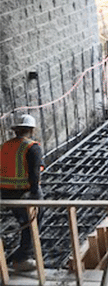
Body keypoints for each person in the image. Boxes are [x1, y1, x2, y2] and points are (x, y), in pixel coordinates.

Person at [0, 114, 44, 272]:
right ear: (32, 130)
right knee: (32, 222)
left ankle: (18, 255)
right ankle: (23, 258)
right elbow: (34, 174)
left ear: (15, 130)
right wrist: (36, 195)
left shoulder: (5, 146)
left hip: (5, 192)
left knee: (24, 222)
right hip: (23, 193)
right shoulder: (32, 147)